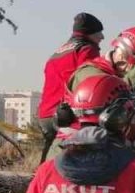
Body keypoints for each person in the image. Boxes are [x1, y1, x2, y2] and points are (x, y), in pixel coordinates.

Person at [37, 13, 104, 161]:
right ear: (89, 33)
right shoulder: (86, 49)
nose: (102, 37)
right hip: (66, 116)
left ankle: (39, 183)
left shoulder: (57, 53)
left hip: (45, 115)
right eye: (99, 32)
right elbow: (92, 82)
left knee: (48, 164)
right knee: (71, 164)